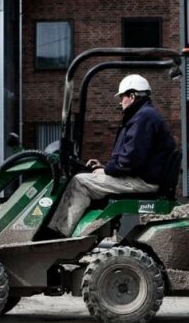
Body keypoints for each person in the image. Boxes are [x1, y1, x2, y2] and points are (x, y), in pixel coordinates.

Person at [48, 74, 177, 236]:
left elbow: (130, 160)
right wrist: (105, 167)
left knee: (79, 182)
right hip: (142, 177)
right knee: (87, 178)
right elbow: (131, 157)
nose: (120, 101)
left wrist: (107, 170)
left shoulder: (144, 118)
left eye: (122, 96)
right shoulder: (143, 116)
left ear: (132, 96)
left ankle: (58, 235)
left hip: (143, 181)